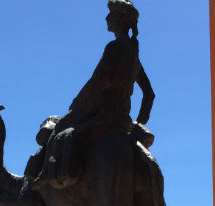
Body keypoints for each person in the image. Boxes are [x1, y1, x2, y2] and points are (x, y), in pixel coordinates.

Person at [31, 0, 154, 190]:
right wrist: (138, 123)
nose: (106, 18)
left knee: (60, 127)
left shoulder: (114, 47)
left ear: (120, 20)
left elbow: (98, 81)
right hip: (123, 118)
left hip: (102, 113)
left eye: (111, 15)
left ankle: (48, 175)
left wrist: (77, 102)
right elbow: (149, 95)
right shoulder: (133, 53)